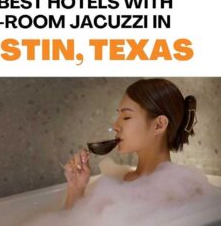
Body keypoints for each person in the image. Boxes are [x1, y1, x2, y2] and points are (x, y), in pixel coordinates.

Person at [64, 78, 197, 209]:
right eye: (118, 116)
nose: (115, 125)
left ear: (159, 125)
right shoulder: (120, 179)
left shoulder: (175, 193)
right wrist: (76, 190)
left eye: (126, 117)